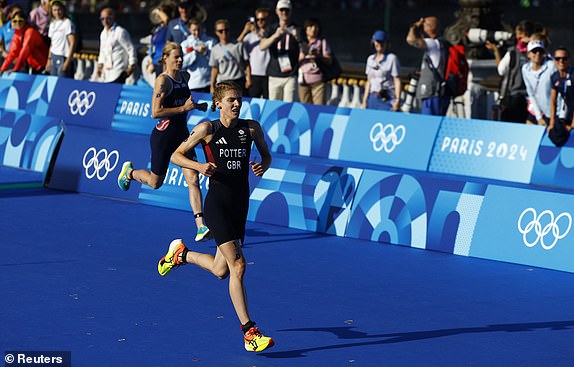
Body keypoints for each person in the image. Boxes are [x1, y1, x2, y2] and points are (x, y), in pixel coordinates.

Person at [157, 80, 274, 353]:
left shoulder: (251, 128)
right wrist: (199, 166)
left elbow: (267, 156)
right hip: (217, 205)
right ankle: (249, 332)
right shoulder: (208, 129)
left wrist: (262, 166)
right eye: (231, 100)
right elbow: (176, 156)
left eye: (239, 99)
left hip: (240, 207)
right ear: (218, 103)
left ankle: (181, 255)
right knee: (239, 266)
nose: (236, 104)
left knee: (222, 270)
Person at [117, 42, 210, 242]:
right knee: (154, 182)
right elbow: (155, 112)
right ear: (165, 58)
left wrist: (198, 106)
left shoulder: (185, 77)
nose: (179, 60)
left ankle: (201, 226)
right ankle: (130, 172)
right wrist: (183, 109)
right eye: (175, 57)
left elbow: (184, 102)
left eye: (181, 56)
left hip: (183, 135)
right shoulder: (162, 81)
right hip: (163, 137)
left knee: (193, 178)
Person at [485, 20, 538, 123]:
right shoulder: (538, 51)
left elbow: (501, 70)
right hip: (532, 99)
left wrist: (496, 51)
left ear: (523, 34)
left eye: (517, 34)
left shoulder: (513, 52)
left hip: (514, 97)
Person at [406, 16, 450, 116]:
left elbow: (410, 40)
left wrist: (413, 26)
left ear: (430, 28)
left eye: (424, 25)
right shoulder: (441, 44)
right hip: (437, 92)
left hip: (432, 93)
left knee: (430, 123)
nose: (422, 27)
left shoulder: (432, 43)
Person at [259, 0, 300, 102]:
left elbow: (306, 50)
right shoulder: (271, 28)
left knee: (288, 106)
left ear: (291, 11)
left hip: (291, 75)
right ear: (277, 11)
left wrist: (298, 38)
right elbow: (262, 46)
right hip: (274, 74)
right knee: (274, 105)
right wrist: (275, 36)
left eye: (287, 10)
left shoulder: (298, 29)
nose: (284, 13)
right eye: (282, 10)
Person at [361, 30, 402, 111]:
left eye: (382, 42)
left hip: (386, 97)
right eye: (377, 41)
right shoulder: (370, 59)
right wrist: (364, 101)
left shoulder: (392, 58)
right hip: (372, 97)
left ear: (386, 44)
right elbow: (369, 81)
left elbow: (397, 80)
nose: (379, 44)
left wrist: (397, 100)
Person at [96, 6, 137, 84]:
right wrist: (100, 65)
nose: (105, 21)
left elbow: (130, 49)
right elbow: (102, 50)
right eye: (102, 19)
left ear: (113, 18)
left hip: (118, 72)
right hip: (107, 74)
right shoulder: (103, 33)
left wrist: (132, 66)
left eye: (107, 18)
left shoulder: (120, 32)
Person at [209, 19, 251, 94]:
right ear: (216, 33)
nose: (224, 33)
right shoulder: (215, 49)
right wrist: (212, 85)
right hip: (224, 82)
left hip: (239, 81)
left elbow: (247, 64)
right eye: (220, 31)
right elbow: (214, 69)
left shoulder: (239, 45)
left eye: (226, 30)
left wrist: (249, 79)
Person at [297, 17, 332, 105]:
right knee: (305, 108)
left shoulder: (321, 42)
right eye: (311, 26)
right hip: (303, 80)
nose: (313, 29)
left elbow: (329, 60)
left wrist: (317, 55)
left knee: (318, 108)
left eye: (316, 27)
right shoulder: (301, 44)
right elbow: (294, 61)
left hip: (318, 80)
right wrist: (302, 56)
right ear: (305, 29)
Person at [237, 7, 271, 99]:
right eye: (257, 19)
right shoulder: (250, 36)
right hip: (254, 75)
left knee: (268, 102)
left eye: (262, 19)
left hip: (269, 75)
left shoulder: (271, 34)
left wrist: (257, 33)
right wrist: (244, 31)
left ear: (268, 19)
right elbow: (235, 47)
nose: (260, 22)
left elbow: (265, 42)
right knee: (253, 102)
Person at [0, 10, 48, 75]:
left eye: (20, 20)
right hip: (33, 66)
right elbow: (12, 53)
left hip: (43, 65)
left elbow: (24, 50)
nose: (18, 23)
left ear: (25, 21)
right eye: (15, 21)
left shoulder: (30, 32)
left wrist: (16, 68)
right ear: (11, 22)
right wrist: (2, 69)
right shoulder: (17, 34)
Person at [522, 38, 556, 125]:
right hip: (537, 111)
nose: (537, 54)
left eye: (540, 51)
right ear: (528, 54)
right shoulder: (525, 69)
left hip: (552, 113)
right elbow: (531, 94)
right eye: (534, 51)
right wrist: (539, 117)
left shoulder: (551, 66)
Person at [548, 46, 574, 146]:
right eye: (558, 59)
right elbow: (553, 101)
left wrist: (573, 123)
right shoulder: (554, 77)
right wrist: (551, 123)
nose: (561, 61)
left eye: (564, 58)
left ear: (569, 60)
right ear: (554, 60)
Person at [181, 18, 214, 93]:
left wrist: (205, 52)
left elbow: (215, 61)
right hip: (193, 83)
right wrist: (194, 53)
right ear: (189, 29)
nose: (197, 32)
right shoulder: (185, 44)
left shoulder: (210, 41)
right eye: (194, 30)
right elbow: (182, 64)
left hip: (208, 82)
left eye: (199, 29)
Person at [45, 0, 76, 77]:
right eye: (54, 10)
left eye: (59, 10)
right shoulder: (52, 24)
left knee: (62, 82)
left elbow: (72, 42)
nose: (57, 12)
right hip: (54, 56)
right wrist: (48, 60)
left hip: (63, 57)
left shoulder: (67, 22)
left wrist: (67, 61)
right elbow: (52, 44)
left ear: (63, 10)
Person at [146, 4, 174, 78]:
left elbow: (166, 19)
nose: (157, 16)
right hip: (155, 62)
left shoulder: (168, 26)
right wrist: (151, 61)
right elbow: (153, 46)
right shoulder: (157, 29)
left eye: (160, 14)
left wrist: (158, 10)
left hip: (163, 63)